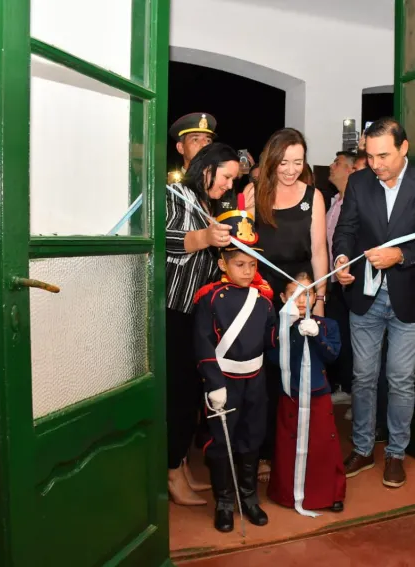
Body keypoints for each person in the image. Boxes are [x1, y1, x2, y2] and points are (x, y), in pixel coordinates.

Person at [333, 117, 415, 488]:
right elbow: (346, 230)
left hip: (410, 299)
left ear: (404, 147)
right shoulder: (358, 182)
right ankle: (365, 448)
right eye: (370, 156)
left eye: (383, 155)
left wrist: (399, 254)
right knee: (363, 377)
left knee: (400, 379)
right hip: (364, 297)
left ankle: (396, 453)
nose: (376, 164)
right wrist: (340, 260)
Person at [164, 142, 243, 506]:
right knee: (178, 397)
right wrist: (205, 238)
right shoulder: (174, 195)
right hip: (172, 314)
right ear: (207, 168)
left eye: (233, 180)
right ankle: (171, 473)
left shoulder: (205, 205)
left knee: (191, 397)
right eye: (226, 176)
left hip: (194, 315)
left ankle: (180, 466)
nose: (229, 184)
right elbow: (162, 240)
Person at [253, 127, 330, 482]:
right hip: (261, 292)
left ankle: (292, 450)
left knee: (296, 371)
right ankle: (262, 450)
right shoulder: (253, 193)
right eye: (284, 162)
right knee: (263, 372)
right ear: (272, 161)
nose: (290, 169)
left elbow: (318, 251)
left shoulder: (313, 196)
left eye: (298, 162)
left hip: (300, 294)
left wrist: (320, 299)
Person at [193, 210, 276, 533]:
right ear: (222, 264)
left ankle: (249, 497)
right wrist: (213, 384)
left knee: (251, 439)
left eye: (252, 264)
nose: (247, 270)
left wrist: (294, 325)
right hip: (223, 382)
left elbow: (269, 341)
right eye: (239, 264)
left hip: (255, 381)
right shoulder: (210, 299)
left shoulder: (265, 301)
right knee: (221, 443)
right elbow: (203, 344)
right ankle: (225, 502)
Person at [266, 273, 346, 513]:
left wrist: (317, 335)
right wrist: (289, 330)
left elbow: (333, 356)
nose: (301, 301)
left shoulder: (328, 325)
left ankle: (330, 494)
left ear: (315, 298)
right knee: (287, 444)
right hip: (290, 393)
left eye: (307, 294)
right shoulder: (276, 328)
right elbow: (271, 357)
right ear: (282, 298)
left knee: (324, 444)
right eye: (294, 295)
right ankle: (286, 494)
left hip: (318, 393)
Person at [168, 111, 255, 217]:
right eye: (195, 139)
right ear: (180, 147)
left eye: (208, 140)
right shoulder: (171, 186)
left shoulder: (226, 184)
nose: (204, 144)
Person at [325, 151, 357, 405]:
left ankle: (355, 392)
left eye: (337, 163)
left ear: (350, 170)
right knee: (338, 334)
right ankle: (345, 386)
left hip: (350, 279)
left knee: (354, 336)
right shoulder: (334, 201)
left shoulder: (356, 204)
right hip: (332, 281)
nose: (331, 167)